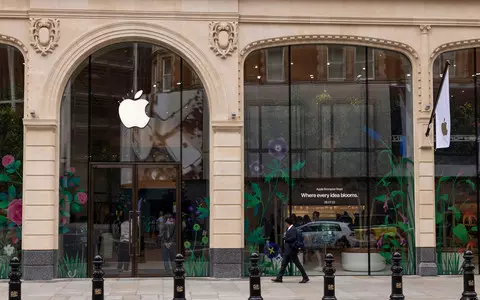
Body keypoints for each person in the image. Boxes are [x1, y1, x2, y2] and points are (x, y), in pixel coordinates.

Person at [272, 217, 309, 283]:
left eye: (285, 223)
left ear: (287, 223)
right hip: (288, 250)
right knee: (284, 264)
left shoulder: (293, 229)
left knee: (298, 264)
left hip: (291, 250)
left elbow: (293, 238)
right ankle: (279, 278)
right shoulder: (289, 229)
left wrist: (285, 238)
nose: (285, 224)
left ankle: (305, 277)